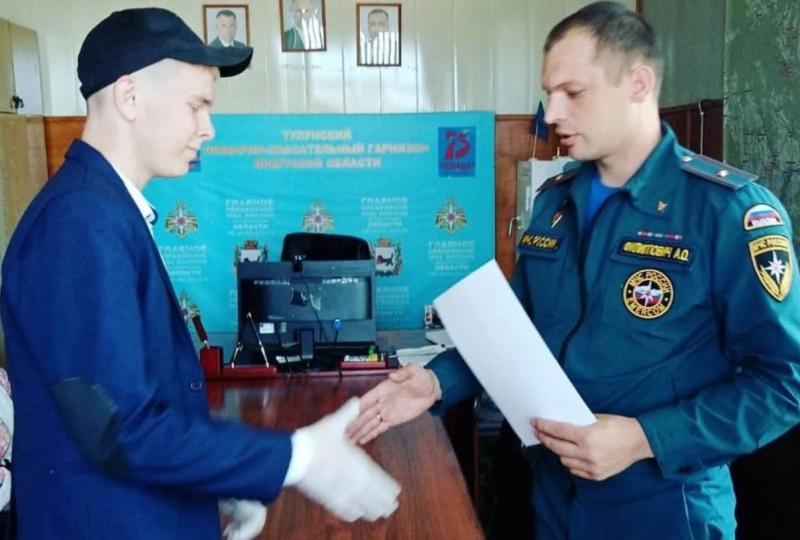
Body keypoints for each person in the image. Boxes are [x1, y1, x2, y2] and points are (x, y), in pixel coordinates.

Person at [347, 2, 800, 539]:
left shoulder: (726, 211)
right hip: (552, 495)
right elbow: (513, 334)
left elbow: (783, 383)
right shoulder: (555, 201)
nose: (552, 113)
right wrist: (434, 381)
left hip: (662, 507)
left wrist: (644, 438)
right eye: (549, 93)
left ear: (638, 84)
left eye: (574, 92)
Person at [0, 8, 399, 540]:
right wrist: (299, 458)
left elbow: (138, 398)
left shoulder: (102, 209)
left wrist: (218, 481)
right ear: (129, 97)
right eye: (196, 105)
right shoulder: (79, 222)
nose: (207, 128)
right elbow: (121, 428)